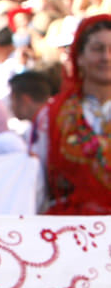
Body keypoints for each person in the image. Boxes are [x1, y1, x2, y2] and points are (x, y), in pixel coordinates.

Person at [32, 13, 111, 214]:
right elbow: (37, 180)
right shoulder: (52, 116)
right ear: (80, 56)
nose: (106, 57)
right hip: (71, 231)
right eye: (97, 49)